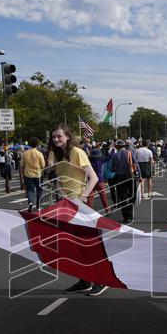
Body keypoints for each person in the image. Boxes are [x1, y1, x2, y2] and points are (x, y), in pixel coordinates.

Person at [48, 126, 105, 297]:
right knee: (73, 246)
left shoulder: (77, 152)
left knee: (87, 245)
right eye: (54, 137)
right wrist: (61, 196)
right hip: (66, 204)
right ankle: (84, 281)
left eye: (59, 136)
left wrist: (82, 198)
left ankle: (100, 280)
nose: (56, 139)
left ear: (67, 136)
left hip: (78, 205)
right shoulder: (59, 156)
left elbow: (93, 177)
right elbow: (59, 180)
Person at [108, 139, 137, 225]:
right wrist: (140, 177)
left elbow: (112, 169)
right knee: (132, 195)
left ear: (117, 147)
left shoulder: (114, 156)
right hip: (129, 176)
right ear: (124, 146)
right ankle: (131, 215)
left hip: (120, 178)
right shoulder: (130, 153)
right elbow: (136, 164)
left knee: (122, 197)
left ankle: (125, 217)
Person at [21, 138, 45, 211]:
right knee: (39, 190)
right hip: (38, 174)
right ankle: (38, 206)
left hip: (28, 174)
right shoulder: (39, 154)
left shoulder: (25, 153)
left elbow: (22, 164)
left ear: (30, 144)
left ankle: (31, 202)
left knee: (30, 190)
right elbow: (43, 165)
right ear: (37, 144)